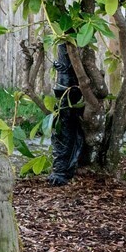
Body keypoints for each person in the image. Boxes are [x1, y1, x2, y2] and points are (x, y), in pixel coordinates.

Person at [48, 42, 88, 185]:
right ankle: (62, 169)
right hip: (65, 88)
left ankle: (63, 170)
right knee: (63, 124)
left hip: (69, 88)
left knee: (66, 122)